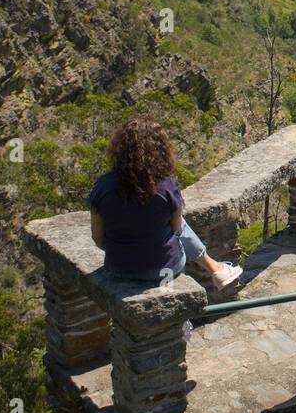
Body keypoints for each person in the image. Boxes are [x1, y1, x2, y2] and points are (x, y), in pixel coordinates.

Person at [88, 116, 240, 288]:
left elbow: (98, 238)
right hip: (164, 268)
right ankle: (215, 268)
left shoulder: (102, 187)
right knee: (177, 224)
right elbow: (176, 230)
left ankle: (215, 268)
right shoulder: (166, 187)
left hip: (118, 268)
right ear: (159, 151)